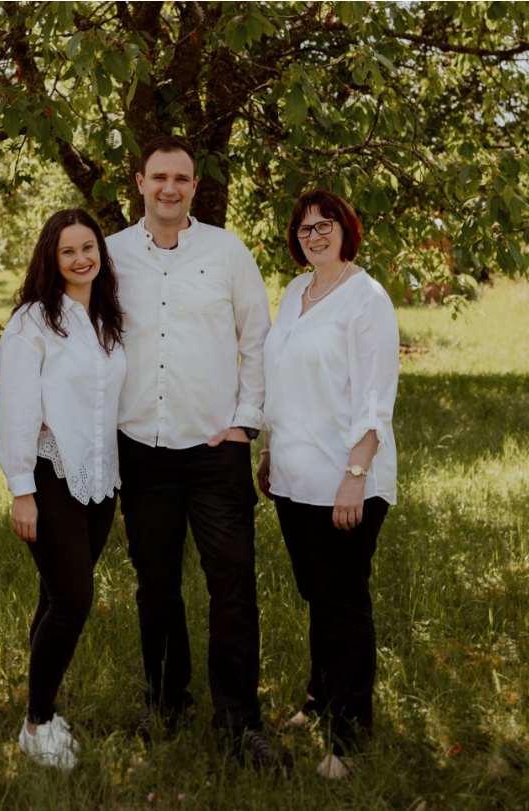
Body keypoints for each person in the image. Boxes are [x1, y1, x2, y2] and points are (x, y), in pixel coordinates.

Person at [105, 136, 276, 766]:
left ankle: (240, 720)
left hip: (214, 448)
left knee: (231, 582)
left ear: (195, 185)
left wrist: (246, 422)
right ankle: (166, 703)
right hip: (141, 449)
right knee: (156, 584)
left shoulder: (227, 252)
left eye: (181, 178)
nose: (169, 188)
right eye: (158, 177)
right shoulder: (113, 254)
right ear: (141, 182)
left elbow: (257, 339)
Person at [257, 189, 399, 779]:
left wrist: (355, 478)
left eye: (325, 225)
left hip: (346, 479)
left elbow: (374, 399)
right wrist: (269, 452)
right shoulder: (296, 292)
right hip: (294, 477)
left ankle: (350, 735)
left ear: (347, 230)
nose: (314, 235)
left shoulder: (366, 299)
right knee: (316, 592)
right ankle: (319, 698)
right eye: (305, 228)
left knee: (343, 603)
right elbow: (284, 380)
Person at [0, 209, 126, 771]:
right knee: (73, 602)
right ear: (51, 258)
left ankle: (40, 707)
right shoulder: (32, 322)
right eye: (68, 250)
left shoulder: (107, 318)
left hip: (99, 479)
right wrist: (21, 488)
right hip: (49, 475)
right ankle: (36, 724)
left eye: (89, 247)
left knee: (55, 597)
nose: (81, 258)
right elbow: (17, 409)